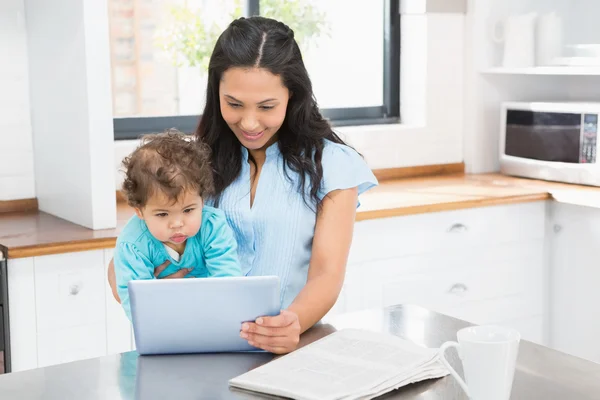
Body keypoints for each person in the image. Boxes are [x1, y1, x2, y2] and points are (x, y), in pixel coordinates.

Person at [108, 16, 378, 353]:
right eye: (233, 104)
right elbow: (126, 260)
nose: (249, 123)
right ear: (216, 91)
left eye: (266, 107)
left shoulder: (332, 165)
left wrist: (291, 321)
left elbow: (326, 273)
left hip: (288, 347)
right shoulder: (195, 161)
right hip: (198, 343)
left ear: (292, 96)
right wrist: (158, 291)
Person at [114, 130, 242, 321]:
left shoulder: (212, 226)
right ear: (139, 210)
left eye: (189, 210)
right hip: (162, 324)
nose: (177, 224)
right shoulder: (132, 245)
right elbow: (137, 305)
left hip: (211, 316)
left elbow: (229, 281)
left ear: (202, 200)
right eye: (163, 214)